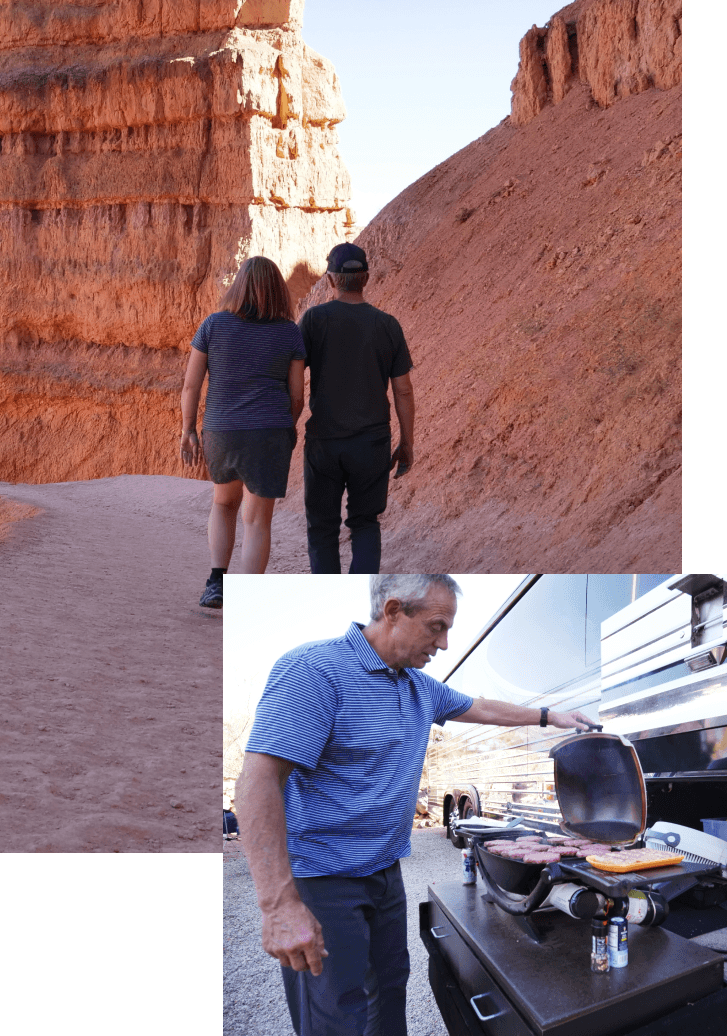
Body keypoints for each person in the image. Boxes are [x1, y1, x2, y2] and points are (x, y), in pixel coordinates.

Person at [236, 574, 596, 1036]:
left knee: (389, 993)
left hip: (385, 874)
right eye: (436, 626)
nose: (444, 643)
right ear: (392, 611)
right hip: (323, 879)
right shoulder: (313, 671)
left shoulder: (420, 687)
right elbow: (257, 782)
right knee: (336, 1013)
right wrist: (278, 904)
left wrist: (549, 716)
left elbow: (481, 707)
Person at [180, 256, 305, 606]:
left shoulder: (213, 325)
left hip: (222, 429)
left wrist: (188, 429)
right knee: (258, 520)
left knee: (223, 504)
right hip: (269, 431)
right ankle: (248, 598)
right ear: (279, 291)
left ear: (238, 286)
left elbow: (191, 386)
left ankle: (217, 582)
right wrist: (284, 429)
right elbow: (297, 396)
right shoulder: (289, 332)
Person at [298, 242, 413, 574]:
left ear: (331, 280)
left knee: (322, 529)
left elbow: (291, 378)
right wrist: (406, 443)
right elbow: (403, 391)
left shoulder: (314, 320)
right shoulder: (387, 325)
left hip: (324, 443)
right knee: (365, 523)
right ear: (366, 278)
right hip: (372, 444)